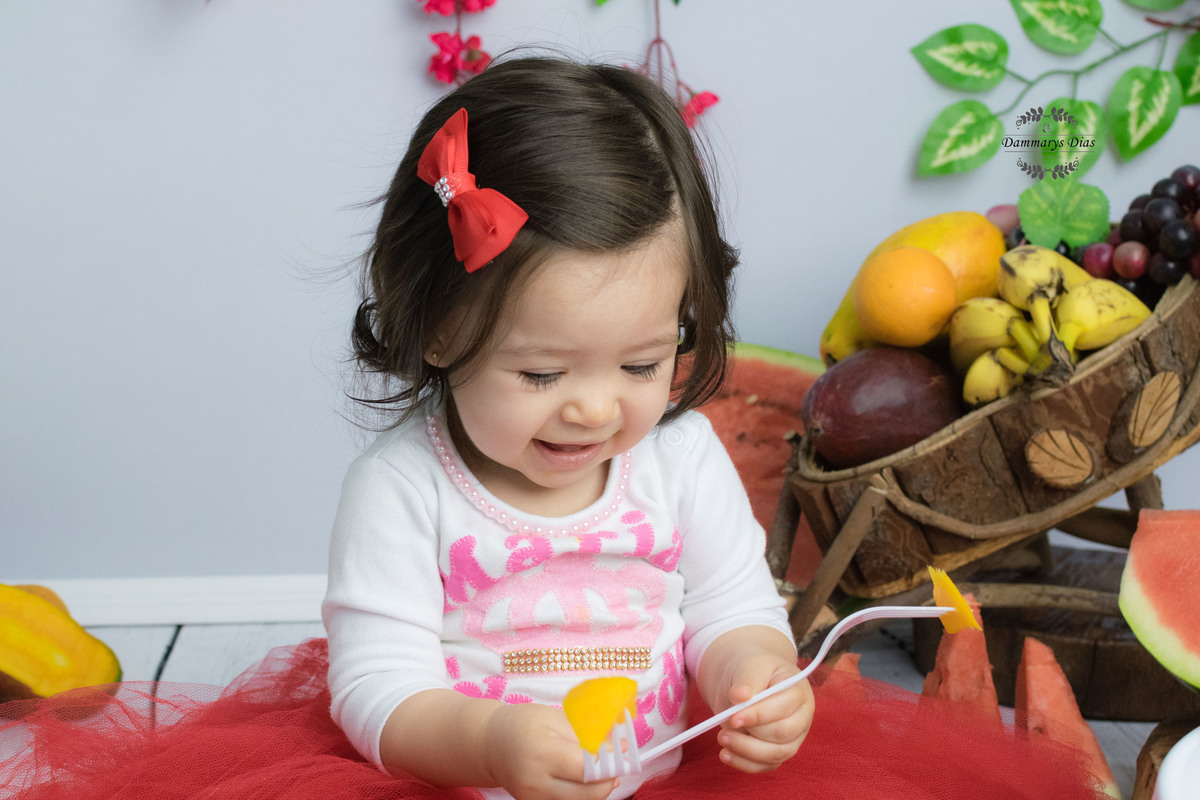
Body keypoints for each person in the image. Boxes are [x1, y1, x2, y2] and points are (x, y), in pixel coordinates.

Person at [320, 55, 814, 800]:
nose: (594, 410)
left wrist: (753, 673)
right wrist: (490, 745)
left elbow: (732, 609)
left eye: (641, 365)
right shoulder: (402, 487)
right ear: (438, 331)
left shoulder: (680, 460)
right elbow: (377, 690)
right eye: (543, 375)